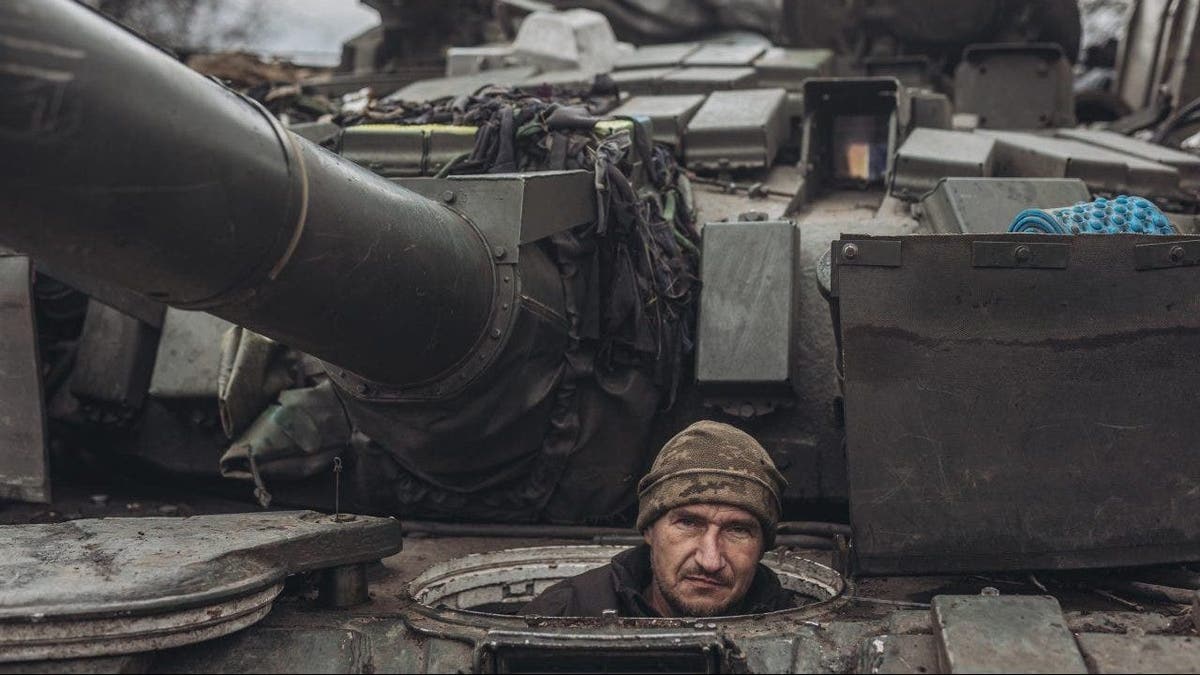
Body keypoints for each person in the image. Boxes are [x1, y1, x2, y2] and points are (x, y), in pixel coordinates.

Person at [521, 420, 794, 617]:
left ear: (763, 547)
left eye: (737, 530)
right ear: (649, 529)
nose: (710, 561)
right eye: (688, 523)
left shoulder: (805, 634)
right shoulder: (562, 616)